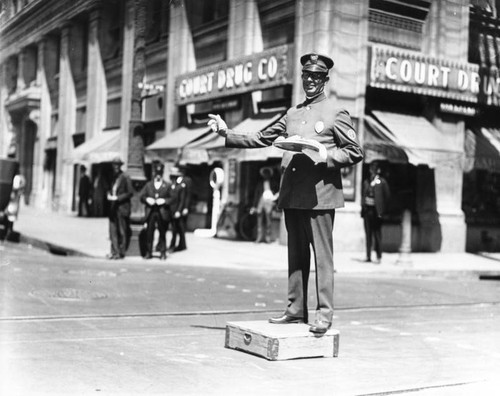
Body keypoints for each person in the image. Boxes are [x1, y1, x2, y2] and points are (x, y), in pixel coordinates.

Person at [208, 52, 363, 334]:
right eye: (307, 76)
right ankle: (295, 311)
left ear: (325, 80)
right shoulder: (292, 114)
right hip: (293, 194)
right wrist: (226, 133)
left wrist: (326, 156)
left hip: (320, 196)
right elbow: (262, 137)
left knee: (322, 258)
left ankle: (324, 315)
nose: (311, 81)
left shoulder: (335, 112)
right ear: (302, 77)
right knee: (296, 255)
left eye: (317, 77)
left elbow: (354, 151)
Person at [139, 160, 172, 260]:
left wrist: (164, 201)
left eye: (160, 174)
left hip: (162, 212)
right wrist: (147, 199)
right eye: (157, 174)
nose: (158, 176)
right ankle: (149, 252)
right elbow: (142, 196)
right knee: (150, 233)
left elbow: (172, 199)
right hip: (151, 212)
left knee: (162, 233)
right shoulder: (149, 185)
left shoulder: (167, 185)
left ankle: (162, 252)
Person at [361, 162, 390, 264]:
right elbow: (363, 195)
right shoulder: (367, 182)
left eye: (373, 170)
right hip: (367, 211)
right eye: (370, 170)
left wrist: (382, 210)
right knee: (368, 234)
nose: (371, 172)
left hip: (376, 212)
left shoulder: (381, 182)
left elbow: (387, 197)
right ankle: (368, 256)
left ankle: (379, 256)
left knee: (377, 234)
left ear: (377, 171)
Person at [106, 156, 134, 260]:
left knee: (122, 231)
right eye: (114, 165)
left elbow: (130, 192)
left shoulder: (125, 177)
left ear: (120, 166)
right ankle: (114, 251)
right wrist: (108, 195)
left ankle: (121, 252)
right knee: (112, 230)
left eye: (117, 165)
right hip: (113, 208)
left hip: (122, 207)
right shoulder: (112, 178)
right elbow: (110, 189)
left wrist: (117, 198)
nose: (115, 167)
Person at [168, 165, 192, 252]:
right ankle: (179, 244)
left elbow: (187, 195)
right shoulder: (174, 182)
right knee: (177, 227)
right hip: (175, 207)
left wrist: (186, 207)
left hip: (181, 207)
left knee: (181, 227)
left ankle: (182, 244)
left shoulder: (186, 181)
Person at [251, 166, 278, 243]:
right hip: (261, 201)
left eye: (267, 173)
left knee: (268, 220)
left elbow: (278, 191)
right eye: (265, 173)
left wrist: (275, 198)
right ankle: (259, 237)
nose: (266, 175)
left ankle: (268, 237)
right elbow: (256, 194)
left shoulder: (273, 183)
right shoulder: (260, 183)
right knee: (259, 218)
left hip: (269, 201)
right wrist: (254, 205)